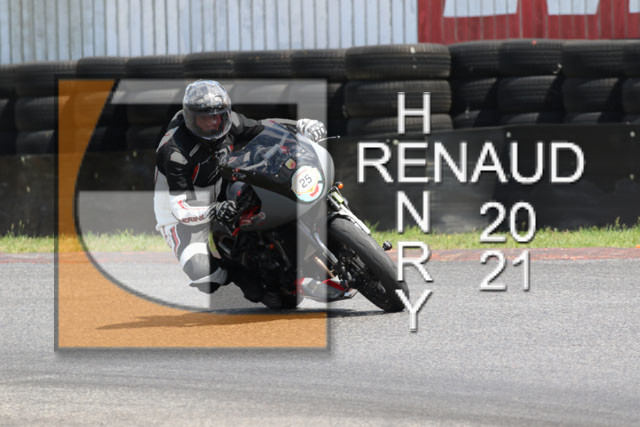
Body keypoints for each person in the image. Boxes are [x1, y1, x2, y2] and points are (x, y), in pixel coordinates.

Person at [153, 80, 327, 303]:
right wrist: (214, 210)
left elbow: (263, 126)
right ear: (190, 119)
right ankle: (236, 273)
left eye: (218, 116)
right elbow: (181, 208)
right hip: (180, 209)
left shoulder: (229, 121)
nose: (213, 123)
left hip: (219, 181)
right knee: (201, 271)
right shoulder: (174, 151)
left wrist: (300, 125)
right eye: (204, 118)